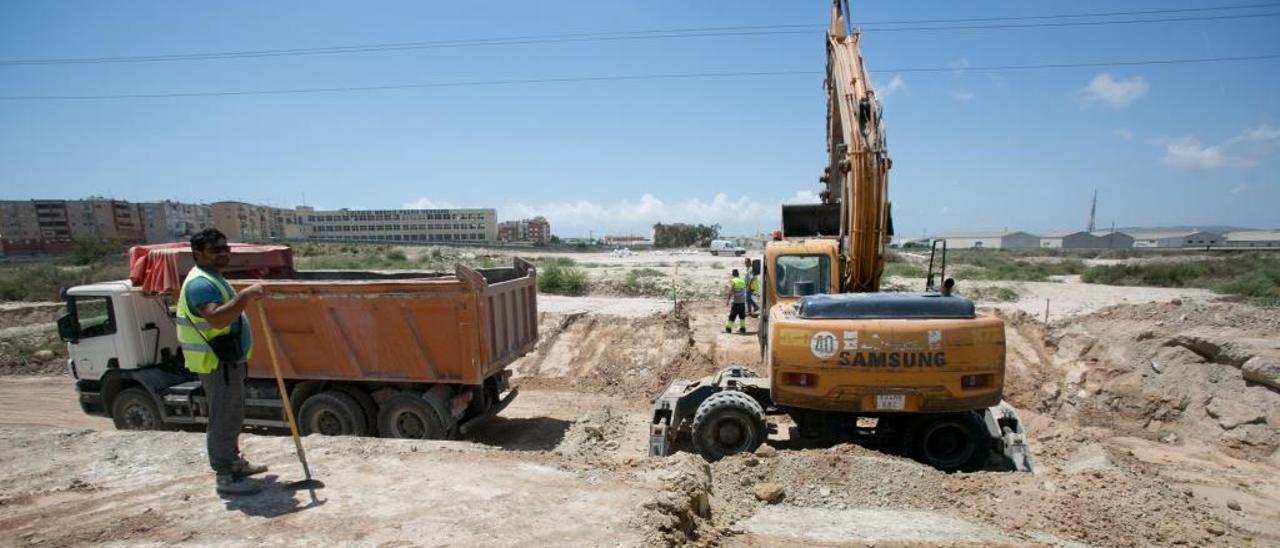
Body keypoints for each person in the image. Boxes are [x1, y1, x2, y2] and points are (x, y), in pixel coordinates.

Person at [176, 228, 268, 496]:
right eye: (215, 250)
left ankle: (233, 462)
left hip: (226, 359)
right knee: (223, 418)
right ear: (198, 254)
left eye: (225, 249)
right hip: (215, 361)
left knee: (232, 414)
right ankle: (225, 476)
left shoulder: (213, 278)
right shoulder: (200, 284)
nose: (223, 254)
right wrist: (247, 296)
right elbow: (216, 318)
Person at [724, 268, 748, 334]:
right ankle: (743, 329)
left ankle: (728, 329)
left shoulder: (733, 281)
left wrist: (728, 300)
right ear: (738, 274)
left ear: (733, 274)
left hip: (736, 301)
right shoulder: (742, 280)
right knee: (742, 316)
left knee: (732, 315)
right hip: (742, 301)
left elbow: (731, 291)